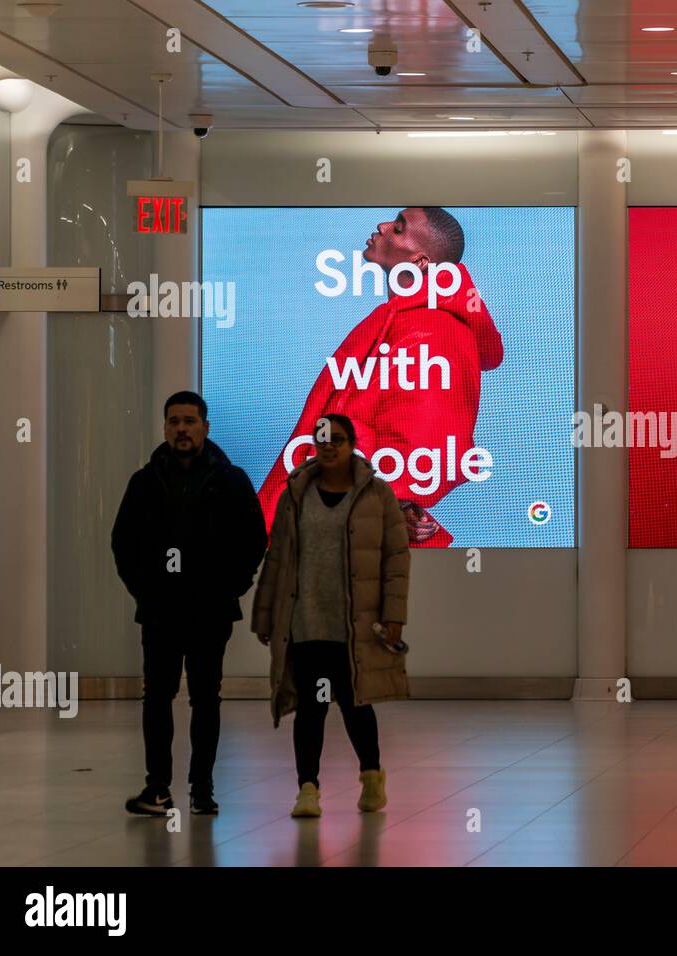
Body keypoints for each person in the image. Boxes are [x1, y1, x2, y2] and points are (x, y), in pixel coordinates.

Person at [255, 206, 503, 547]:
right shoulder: (405, 319)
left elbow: (428, 433)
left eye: (399, 227)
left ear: (419, 262)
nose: (383, 225)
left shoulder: (433, 328)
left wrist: (389, 501)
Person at [112, 391, 268, 816]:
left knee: (206, 698)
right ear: (165, 428)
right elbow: (122, 543)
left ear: (205, 427)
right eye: (174, 421)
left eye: (190, 421)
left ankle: (202, 788)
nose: (181, 428)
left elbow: (255, 539)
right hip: (160, 612)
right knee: (156, 697)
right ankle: (158, 788)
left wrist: (230, 587)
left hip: (209, 611)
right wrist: (143, 590)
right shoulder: (144, 482)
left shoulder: (230, 480)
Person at [252, 413, 410, 818]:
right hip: (305, 621)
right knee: (310, 707)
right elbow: (278, 558)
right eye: (322, 439)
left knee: (356, 704)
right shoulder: (295, 494)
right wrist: (266, 614)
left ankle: (372, 775)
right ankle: (308, 788)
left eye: (337, 439)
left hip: (354, 625)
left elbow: (396, 558)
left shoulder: (377, 495)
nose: (328, 446)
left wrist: (394, 614)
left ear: (352, 444)